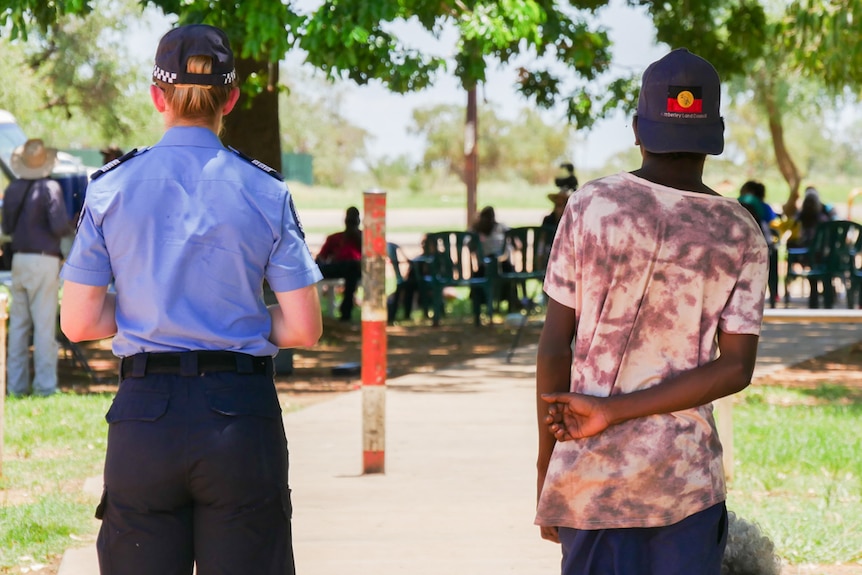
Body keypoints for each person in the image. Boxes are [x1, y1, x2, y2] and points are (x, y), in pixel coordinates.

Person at [59, 24, 322, 575]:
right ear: (231, 98)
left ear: (158, 97)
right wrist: (238, 318)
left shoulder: (110, 187)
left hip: (144, 417)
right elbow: (303, 328)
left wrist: (143, 312)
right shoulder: (266, 190)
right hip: (240, 419)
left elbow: (79, 323)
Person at [535, 48, 768, 575]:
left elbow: (554, 345)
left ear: (639, 129)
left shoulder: (590, 206)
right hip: (685, 486)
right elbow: (736, 367)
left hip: (591, 482)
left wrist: (548, 468)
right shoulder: (740, 231)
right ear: (717, 133)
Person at [2, 138, 75, 396]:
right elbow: (57, 227)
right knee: (44, 326)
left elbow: (7, 228)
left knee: (19, 327)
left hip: (19, 260)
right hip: (44, 259)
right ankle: (45, 387)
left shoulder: (12, 190)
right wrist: (72, 224)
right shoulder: (50, 187)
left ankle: (15, 386)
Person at [316, 206, 362, 321]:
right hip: (338, 267)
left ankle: (346, 312)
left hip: (355, 269)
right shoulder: (335, 238)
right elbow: (321, 257)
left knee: (353, 269)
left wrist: (356, 236)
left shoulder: (364, 238)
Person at [470, 205, 519, 313]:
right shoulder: (476, 230)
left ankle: (512, 304)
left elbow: (516, 243)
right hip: (486, 267)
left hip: (501, 264)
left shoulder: (502, 228)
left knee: (509, 273)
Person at [738, 180, 779, 308]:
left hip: (739, 246)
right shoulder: (764, 207)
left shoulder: (737, 203)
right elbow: (773, 224)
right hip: (764, 247)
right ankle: (774, 295)